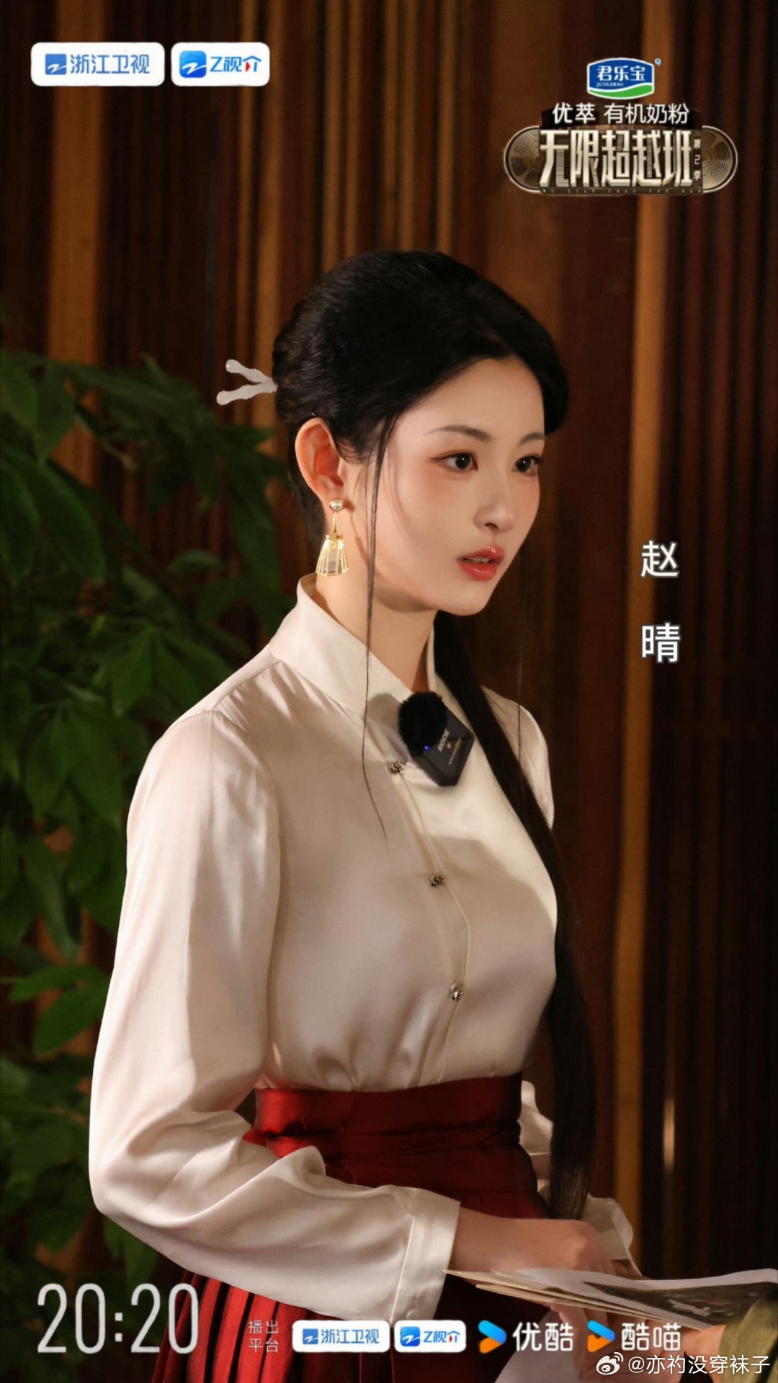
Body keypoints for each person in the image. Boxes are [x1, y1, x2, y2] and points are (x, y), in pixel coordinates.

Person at [89, 249, 657, 1382]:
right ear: (328, 465)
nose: (504, 507)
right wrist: (462, 1239)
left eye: (527, 463)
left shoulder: (511, 742)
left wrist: (592, 1248)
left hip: (512, 1315)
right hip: (320, 1326)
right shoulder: (229, 758)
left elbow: (478, 1075)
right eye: (459, 459)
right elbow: (145, 1152)